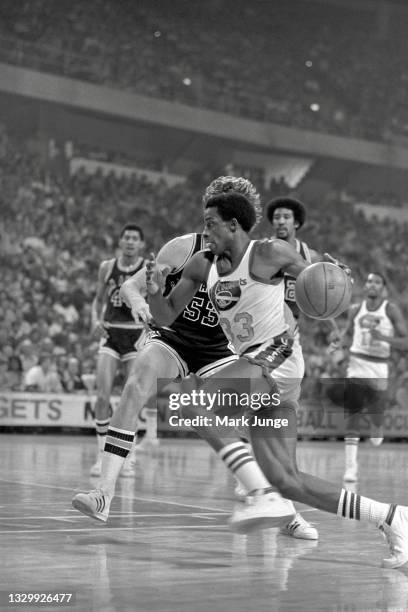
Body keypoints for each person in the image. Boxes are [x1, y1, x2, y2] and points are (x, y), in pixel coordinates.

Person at [140, 190, 408, 569]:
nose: (205, 231)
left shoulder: (268, 253)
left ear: (233, 225)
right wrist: (153, 292)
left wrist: (337, 279)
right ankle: (391, 516)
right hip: (257, 366)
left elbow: (318, 283)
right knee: (289, 480)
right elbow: (165, 317)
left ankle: (259, 490)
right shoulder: (203, 265)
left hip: (277, 358)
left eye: (211, 223)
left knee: (195, 405)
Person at [72, 177, 315, 540]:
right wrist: (142, 301)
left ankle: (282, 506)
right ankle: (104, 493)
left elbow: (286, 294)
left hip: (222, 346)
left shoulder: (258, 256)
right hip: (175, 337)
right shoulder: (184, 249)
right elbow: (133, 286)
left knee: (248, 414)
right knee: (137, 383)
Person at [327, 272, 408, 482]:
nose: (372, 284)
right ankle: (351, 468)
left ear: (383, 288)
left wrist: (381, 337)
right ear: (365, 287)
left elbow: (405, 342)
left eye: (377, 282)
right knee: (352, 411)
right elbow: (345, 337)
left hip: (379, 368)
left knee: (377, 420)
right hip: (356, 365)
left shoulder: (390, 310)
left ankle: (376, 424)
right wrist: (336, 345)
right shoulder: (355, 310)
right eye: (369, 281)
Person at [90, 223, 146, 477]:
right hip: (111, 332)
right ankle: (102, 455)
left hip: (135, 333)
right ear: (120, 241)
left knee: (131, 397)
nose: (131, 242)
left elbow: (153, 301)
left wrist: (147, 331)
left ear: (141, 244)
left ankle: (128, 454)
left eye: (135, 238)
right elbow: (98, 300)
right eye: (127, 238)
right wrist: (94, 320)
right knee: (102, 396)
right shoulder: (106, 267)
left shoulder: (147, 268)